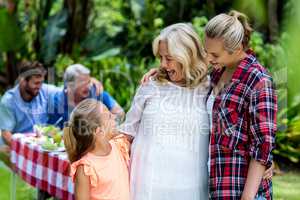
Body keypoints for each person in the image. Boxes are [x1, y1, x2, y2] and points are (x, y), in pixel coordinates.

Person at [141, 11, 276, 200]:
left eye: (214, 54)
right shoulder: (217, 74)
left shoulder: (258, 80)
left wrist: (247, 197)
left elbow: (262, 145)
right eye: (206, 51)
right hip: (218, 188)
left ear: (236, 48)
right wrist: (162, 72)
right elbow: (188, 74)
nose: (209, 58)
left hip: (242, 191)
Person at [119, 23, 210, 200]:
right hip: (147, 186)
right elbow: (127, 132)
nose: (163, 64)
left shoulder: (208, 88)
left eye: (169, 58)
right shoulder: (152, 84)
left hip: (190, 188)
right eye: (160, 57)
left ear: (187, 55)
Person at [0, 61, 103, 167]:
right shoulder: (8, 101)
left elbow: (68, 88)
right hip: (21, 147)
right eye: (36, 83)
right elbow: (6, 135)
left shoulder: (44, 90)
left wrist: (89, 81)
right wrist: (25, 151)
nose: (39, 87)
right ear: (22, 81)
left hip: (42, 144)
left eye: (41, 82)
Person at [63, 99, 130, 200]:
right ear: (99, 131)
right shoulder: (86, 168)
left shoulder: (119, 145)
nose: (114, 116)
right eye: (109, 116)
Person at [48, 64, 124, 128]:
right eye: (83, 83)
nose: (88, 86)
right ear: (70, 85)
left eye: (88, 82)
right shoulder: (56, 101)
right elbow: (53, 130)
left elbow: (120, 113)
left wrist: (108, 127)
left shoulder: (96, 93)